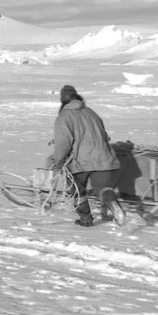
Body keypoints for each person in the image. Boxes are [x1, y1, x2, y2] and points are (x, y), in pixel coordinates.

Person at [52, 85, 120, 227]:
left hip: (81, 161)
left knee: (77, 190)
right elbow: (104, 135)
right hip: (103, 157)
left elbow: (63, 141)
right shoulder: (91, 112)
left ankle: (86, 219)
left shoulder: (64, 116)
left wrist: (58, 161)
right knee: (103, 188)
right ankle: (112, 202)